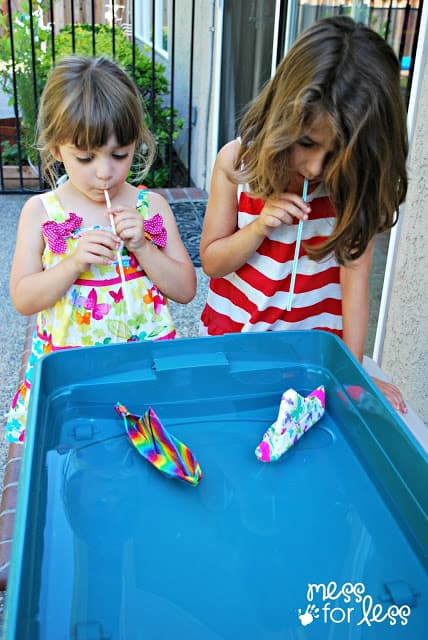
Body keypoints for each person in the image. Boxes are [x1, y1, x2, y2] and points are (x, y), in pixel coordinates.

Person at [199, 16, 408, 413]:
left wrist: (352, 371)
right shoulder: (236, 164)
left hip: (308, 365)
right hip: (234, 351)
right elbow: (212, 261)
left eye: (336, 154)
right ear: (283, 117)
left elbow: (355, 283)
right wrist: (259, 226)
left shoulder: (350, 192)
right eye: (307, 143)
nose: (314, 168)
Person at [6, 55, 196, 442]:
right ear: (57, 150)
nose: (105, 171)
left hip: (142, 370)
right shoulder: (43, 213)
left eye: (119, 154)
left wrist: (143, 245)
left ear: (136, 145)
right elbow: (24, 298)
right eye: (86, 157)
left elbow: (184, 289)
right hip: (74, 373)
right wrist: (73, 262)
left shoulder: (151, 209)